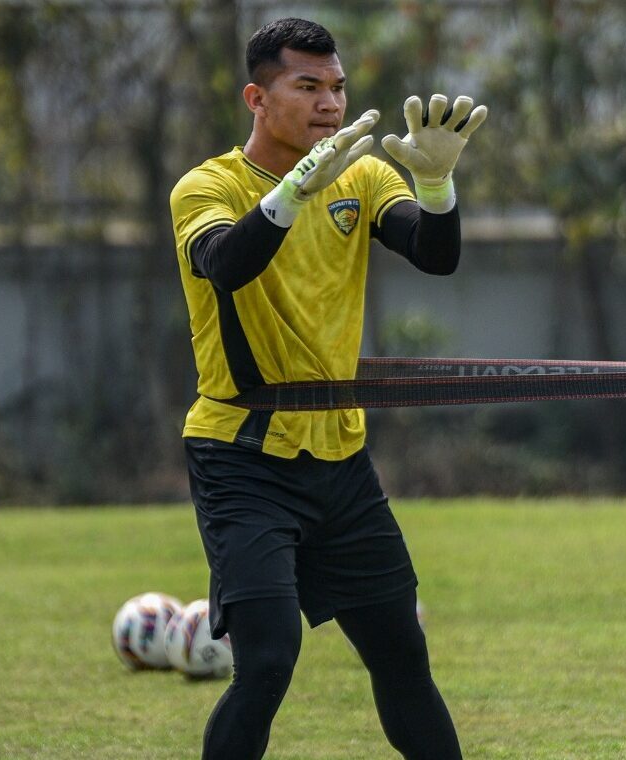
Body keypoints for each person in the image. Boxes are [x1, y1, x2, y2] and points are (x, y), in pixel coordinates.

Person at [168, 17, 487, 760]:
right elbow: (224, 263)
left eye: (337, 87)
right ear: (257, 96)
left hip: (341, 461)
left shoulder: (363, 174)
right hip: (242, 459)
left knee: (404, 658)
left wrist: (435, 187)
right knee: (269, 663)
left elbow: (434, 256)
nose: (330, 104)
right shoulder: (206, 186)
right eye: (306, 86)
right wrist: (290, 191)